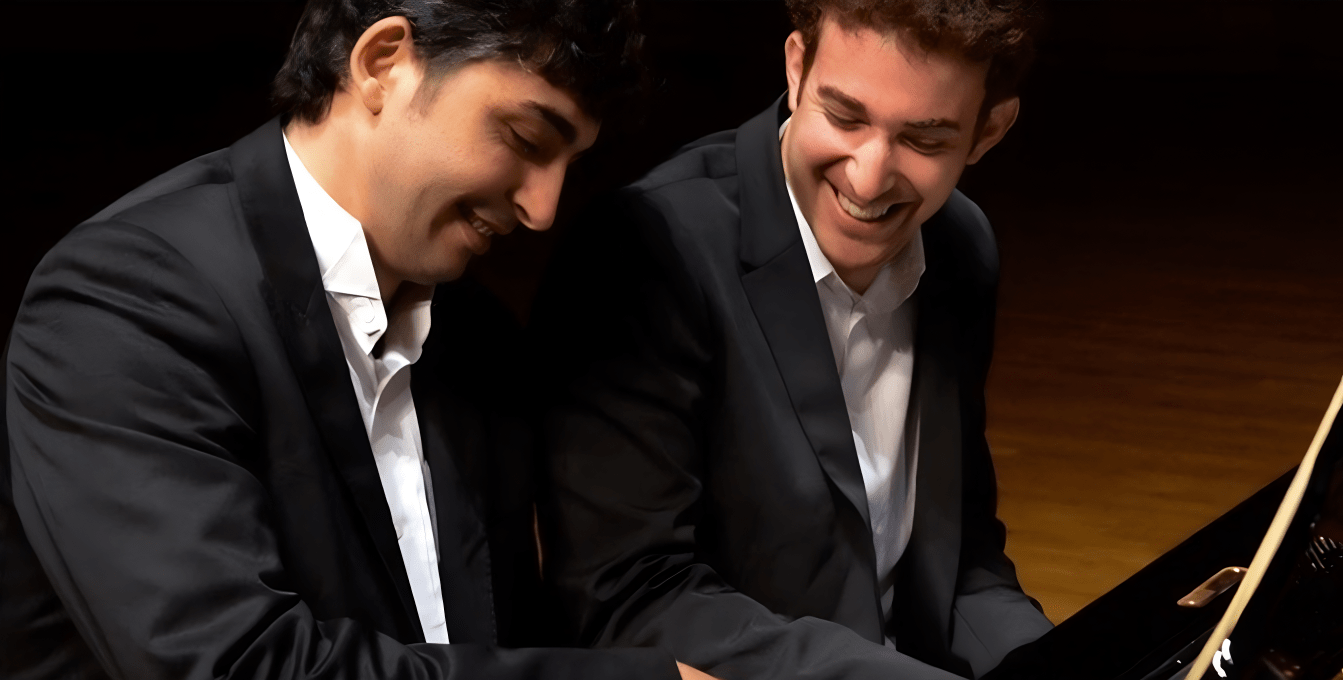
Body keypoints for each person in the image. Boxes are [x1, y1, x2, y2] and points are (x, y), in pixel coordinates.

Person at [1, 2, 712, 679]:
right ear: (382, 63)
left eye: (570, 165)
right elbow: (234, 664)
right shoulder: (126, 298)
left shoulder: (480, 339)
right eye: (527, 140)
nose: (543, 208)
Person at [534, 1, 1053, 679]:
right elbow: (630, 596)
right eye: (844, 116)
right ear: (797, 67)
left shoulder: (962, 247)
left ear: (989, 130)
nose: (868, 178)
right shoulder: (644, 253)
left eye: (924, 140)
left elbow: (959, 565)